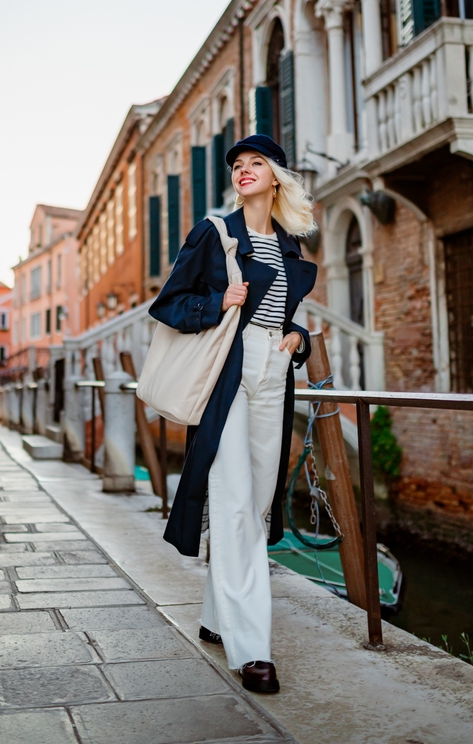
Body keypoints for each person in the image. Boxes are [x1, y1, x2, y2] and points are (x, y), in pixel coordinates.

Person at [148, 134, 317, 695]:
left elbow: (288, 313)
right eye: (238, 165)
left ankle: (217, 617)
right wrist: (216, 303)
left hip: (274, 368)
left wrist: (299, 335)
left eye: (256, 164)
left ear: (276, 177)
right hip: (228, 369)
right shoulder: (215, 232)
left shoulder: (289, 244)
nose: (244, 170)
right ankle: (253, 651)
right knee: (236, 500)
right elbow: (168, 303)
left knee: (260, 498)